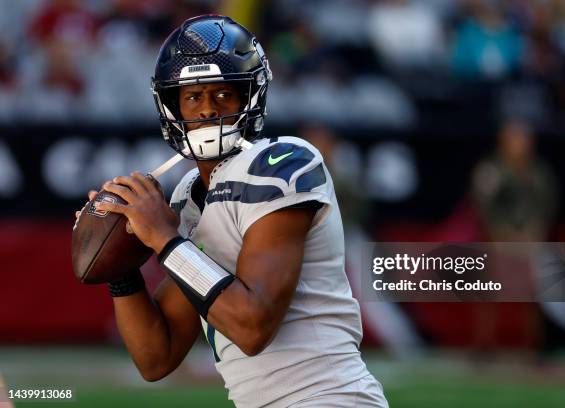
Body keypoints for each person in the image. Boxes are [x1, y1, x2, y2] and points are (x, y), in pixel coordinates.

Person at [78, 15, 388, 407]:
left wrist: (164, 239)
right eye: (192, 96)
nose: (207, 109)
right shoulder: (189, 198)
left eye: (223, 94)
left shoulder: (285, 163)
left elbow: (252, 326)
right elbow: (156, 357)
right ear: (172, 106)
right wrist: (120, 270)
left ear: (250, 96)